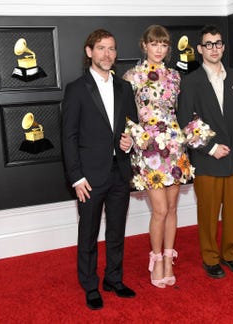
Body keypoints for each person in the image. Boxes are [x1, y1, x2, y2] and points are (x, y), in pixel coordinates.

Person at [61, 29, 138, 310]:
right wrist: (76, 177)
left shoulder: (125, 87)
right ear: (89, 51)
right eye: (102, 48)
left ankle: (113, 279)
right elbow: (68, 137)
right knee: (89, 234)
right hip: (89, 177)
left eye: (112, 49)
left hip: (119, 171)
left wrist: (129, 144)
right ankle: (90, 285)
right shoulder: (76, 89)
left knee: (117, 230)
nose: (108, 54)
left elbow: (130, 128)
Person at [177, 24, 233, 279]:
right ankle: (210, 258)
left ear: (223, 47)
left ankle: (231, 255)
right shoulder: (190, 82)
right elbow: (185, 120)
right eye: (208, 44)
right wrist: (210, 147)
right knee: (209, 213)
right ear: (200, 49)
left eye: (218, 43)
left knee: (231, 212)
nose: (214, 48)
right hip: (207, 158)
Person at [123, 25, 194, 288]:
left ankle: (167, 258)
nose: (159, 49)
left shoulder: (175, 76)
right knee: (160, 210)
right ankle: (155, 258)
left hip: (174, 147)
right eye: (154, 44)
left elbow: (179, 112)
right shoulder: (131, 76)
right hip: (149, 151)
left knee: (173, 208)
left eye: (163, 45)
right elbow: (126, 115)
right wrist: (138, 137)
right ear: (144, 45)